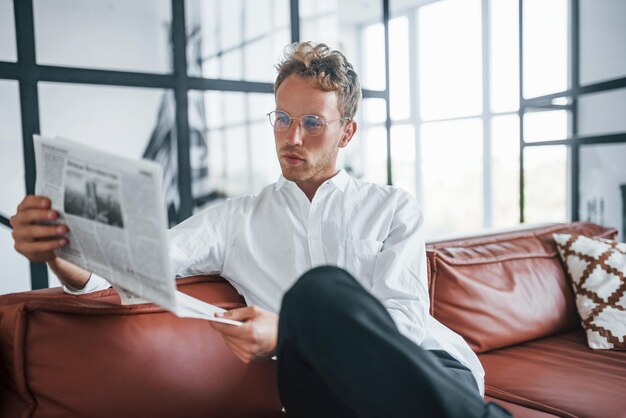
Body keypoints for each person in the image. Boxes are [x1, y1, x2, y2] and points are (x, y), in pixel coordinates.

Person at [11, 42, 510, 417]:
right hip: (322, 392)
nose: (292, 137)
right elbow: (137, 264)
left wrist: (291, 331)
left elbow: (405, 318)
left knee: (318, 293)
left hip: (427, 369)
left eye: (313, 122)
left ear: (347, 131)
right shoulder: (234, 220)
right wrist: (57, 251)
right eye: (282, 118)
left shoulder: (392, 207)